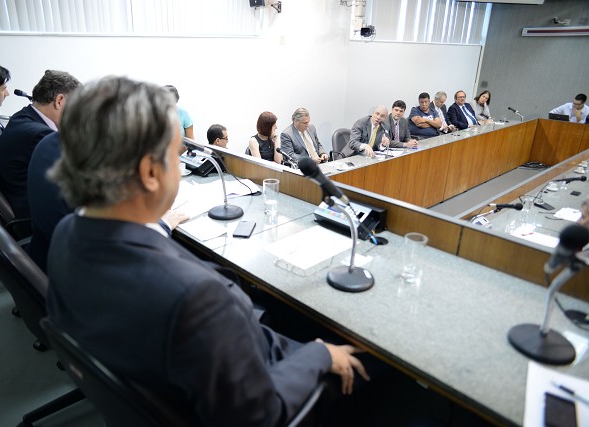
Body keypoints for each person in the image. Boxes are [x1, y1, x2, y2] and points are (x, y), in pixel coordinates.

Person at [45, 76, 369, 426]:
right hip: (262, 390)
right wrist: (319, 354)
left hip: (190, 373)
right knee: (374, 368)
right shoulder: (195, 297)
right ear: (150, 172)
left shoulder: (67, 232)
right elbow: (260, 415)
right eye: (177, 155)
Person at [26, 132, 188, 273]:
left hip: (43, 257)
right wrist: (162, 225)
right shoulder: (94, 164)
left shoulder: (49, 142)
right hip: (82, 272)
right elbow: (119, 250)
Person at [0, 70, 81, 219]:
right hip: (36, 219)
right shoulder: (41, 135)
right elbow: (73, 183)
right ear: (59, 101)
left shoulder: (22, 118)